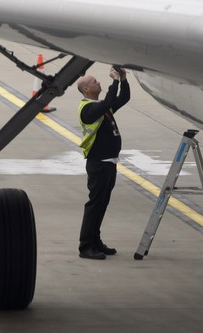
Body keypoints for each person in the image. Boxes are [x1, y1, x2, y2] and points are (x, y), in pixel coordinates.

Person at [76, 65, 130, 260]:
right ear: (87, 90)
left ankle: (95, 241)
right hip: (98, 164)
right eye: (95, 82)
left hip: (108, 162)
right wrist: (114, 81)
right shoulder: (88, 109)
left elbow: (122, 99)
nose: (98, 82)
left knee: (102, 204)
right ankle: (85, 246)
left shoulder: (101, 108)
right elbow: (108, 100)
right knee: (95, 205)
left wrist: (122, 80)